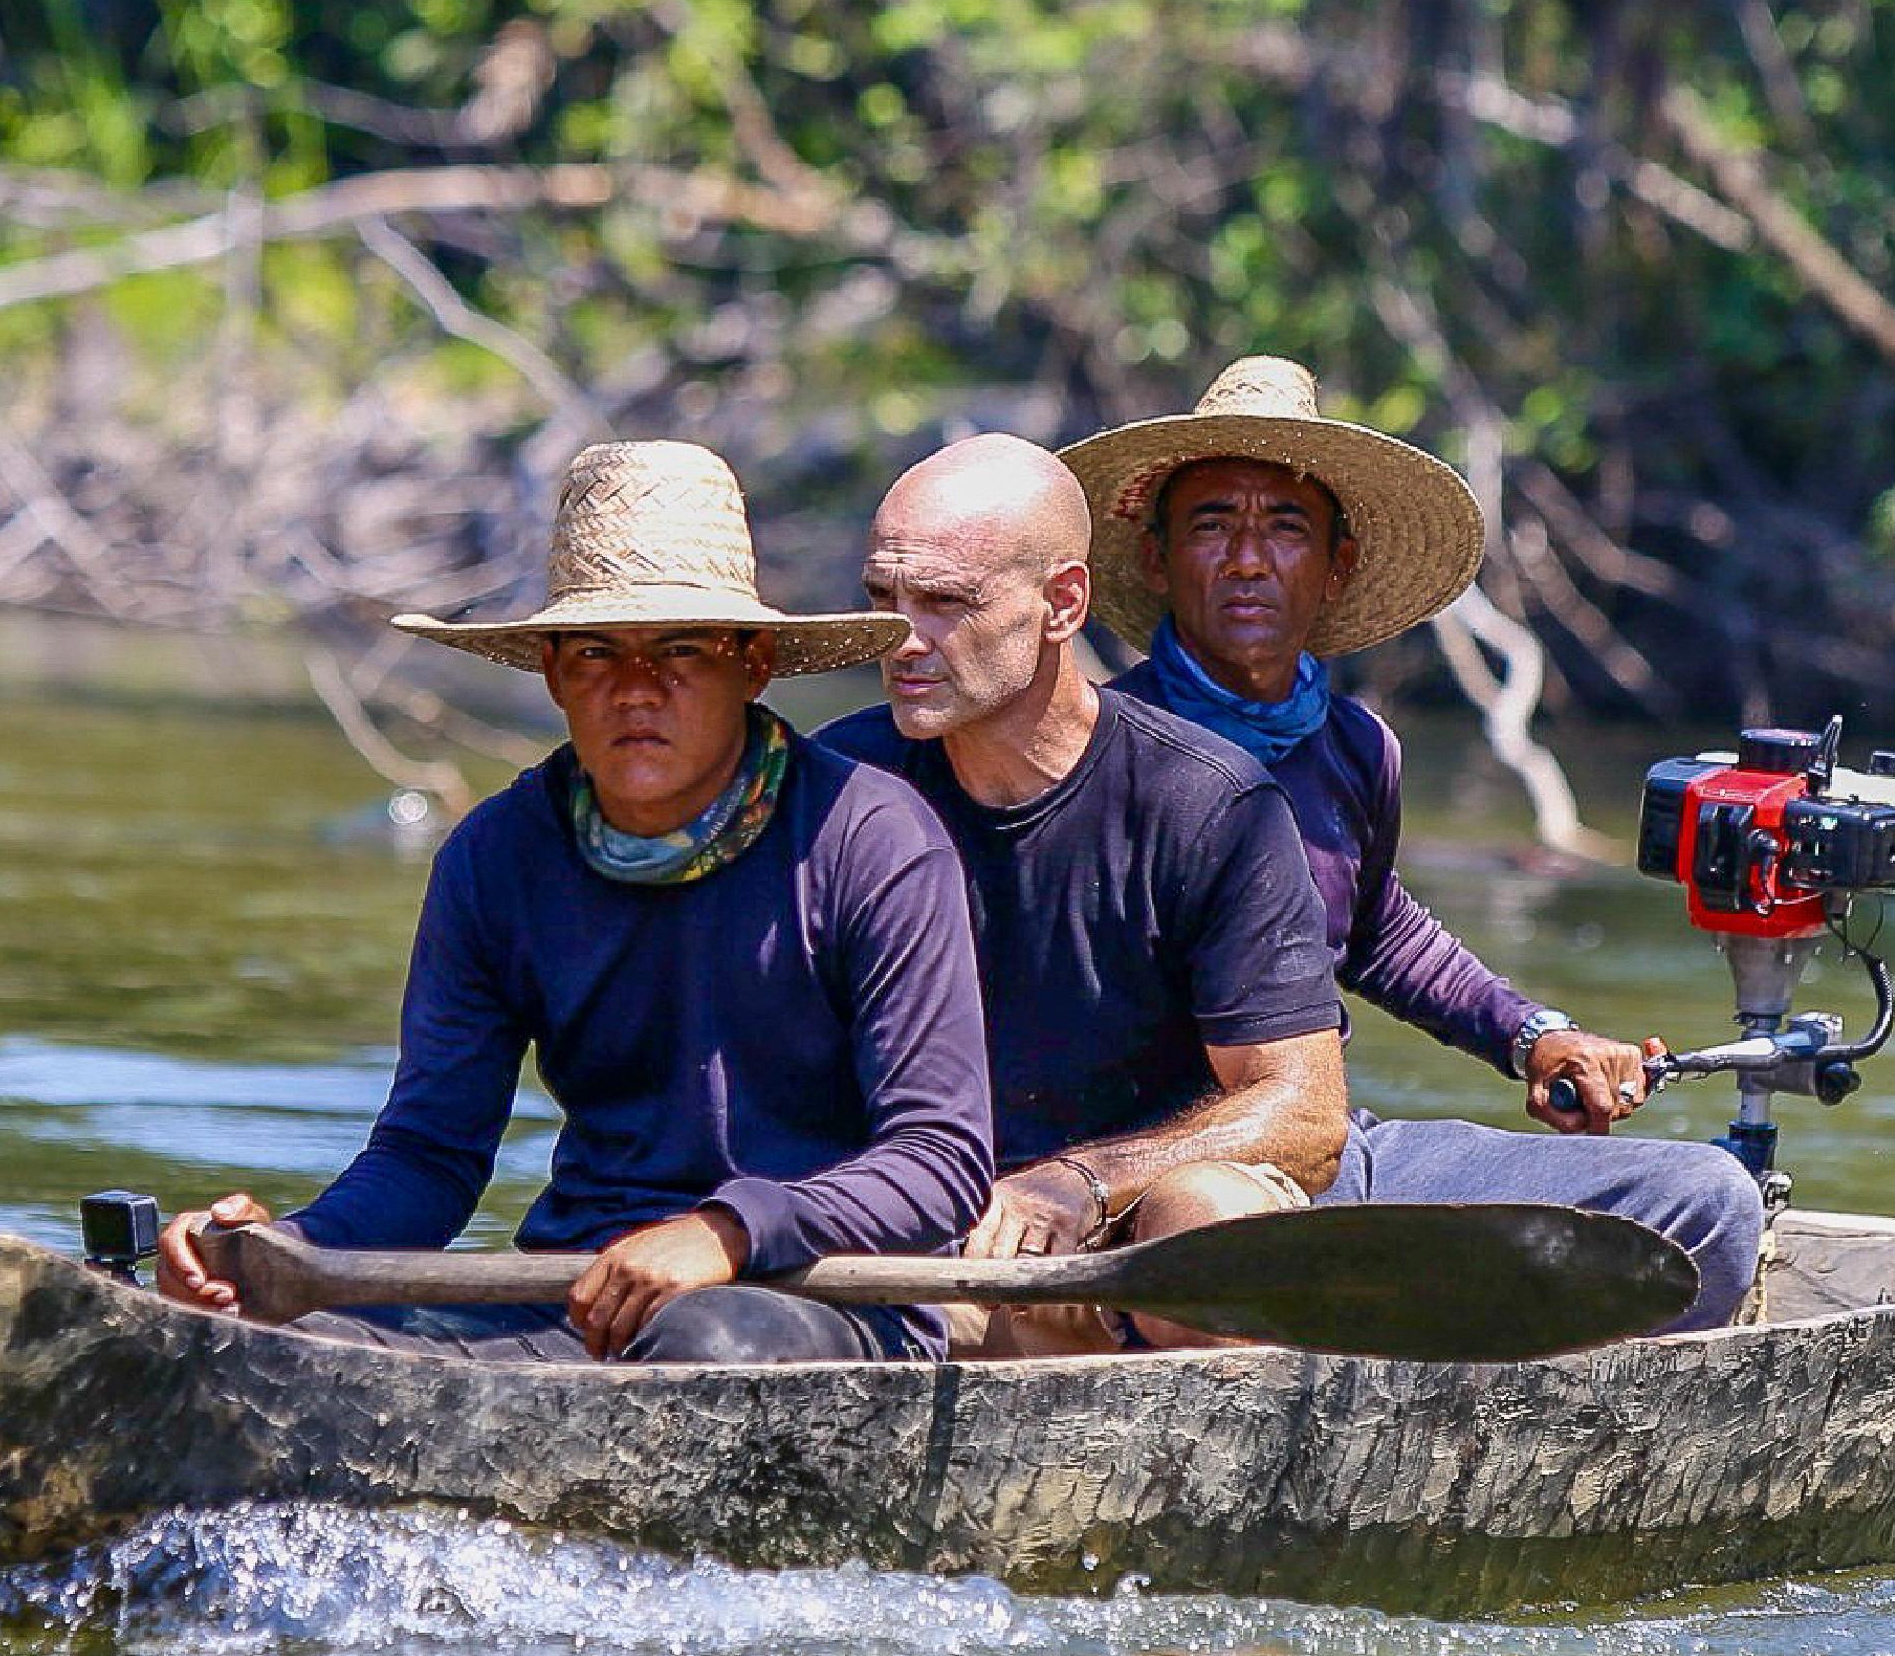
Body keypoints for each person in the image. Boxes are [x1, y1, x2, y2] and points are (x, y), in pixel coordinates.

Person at [155, 440, 995, 1363]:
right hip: (577, 1291)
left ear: (753, 664)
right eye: (598, 655)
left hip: (823, 1294)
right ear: (554, 674)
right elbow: (430, 1157)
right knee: (292, 1343)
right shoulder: (497, 856)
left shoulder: (871, 837)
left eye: (682, 650)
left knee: (708, 1347)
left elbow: (939, 1162)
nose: (637, 690)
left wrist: (727, 1233)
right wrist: (288, 1258)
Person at [1062, 355, 1761, 1329]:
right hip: (1169, 1178)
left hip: (1340, 1159)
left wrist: (1532, 1036)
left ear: (1336, 566)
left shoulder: (1354, 749)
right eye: (1213, 525)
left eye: (1287, 528)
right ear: (1158, 560)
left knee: (1708, 1206)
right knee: (1210, 1243)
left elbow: (1380, 933)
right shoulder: (1098, 755)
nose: (1249, 559)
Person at [817, 435, 1351, 1353]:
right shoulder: (835, 789)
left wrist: (1083, 1182)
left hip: (1143, 1212)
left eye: (946, 603)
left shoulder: (1206, 801)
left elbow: (1305, 1112)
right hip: (942, 1229)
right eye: (884, 601)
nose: (902, 641)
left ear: (1063, 603)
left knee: (1207, 1220)